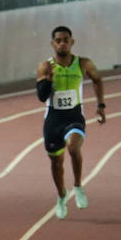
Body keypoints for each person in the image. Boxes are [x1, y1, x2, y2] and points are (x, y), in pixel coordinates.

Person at [36, 26, 106, 220]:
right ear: (52, 44)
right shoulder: (45, 66)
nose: (62, 43)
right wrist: (48, 80)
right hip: (53, 120)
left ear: (72, 42)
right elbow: (41, 97)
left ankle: (77, 186)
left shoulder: (83, 63)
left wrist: (100, 105)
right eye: (58, 40)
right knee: (56, 163)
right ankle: (61, 195)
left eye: (66, 39)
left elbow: (97, 80)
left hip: (73, 115)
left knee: (74, 147)